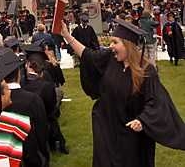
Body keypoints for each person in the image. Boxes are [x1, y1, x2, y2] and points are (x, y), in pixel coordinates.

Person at [60, 18, 185, 167]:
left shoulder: (146, 71)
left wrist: (142, 120)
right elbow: (88, 55)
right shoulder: (110, 59)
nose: (110, 46)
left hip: (131, 133)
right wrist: (67, 36)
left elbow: (156, 101)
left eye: (115, 42)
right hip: (106, 127)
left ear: (128, 45)